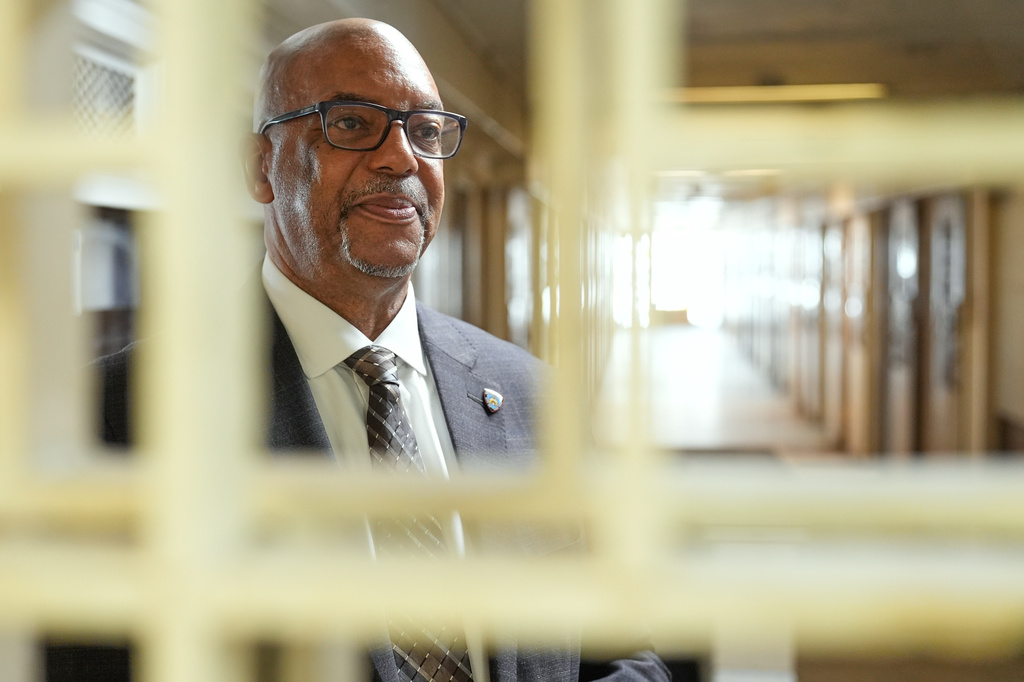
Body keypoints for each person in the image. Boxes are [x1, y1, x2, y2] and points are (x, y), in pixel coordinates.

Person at [93, 18, 670, 682]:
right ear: (260, 167)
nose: (402, 158)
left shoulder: (534, 397)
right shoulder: (124, 417)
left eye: (425, 131)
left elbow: (628, 650)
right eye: (352, 124)